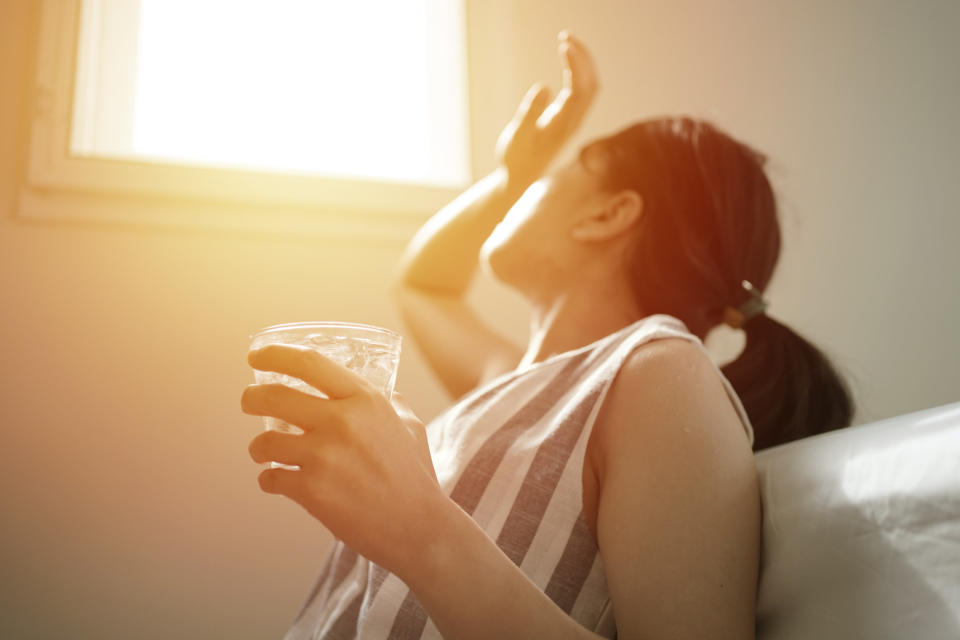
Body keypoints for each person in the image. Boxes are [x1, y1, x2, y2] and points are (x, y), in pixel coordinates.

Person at [241, 31, 853, 640]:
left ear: (609, 215)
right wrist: (517, 173)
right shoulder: (512, 381)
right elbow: (423, 284)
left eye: (554, 175)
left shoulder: (660, 375)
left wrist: (418, 527)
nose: (523, 191)